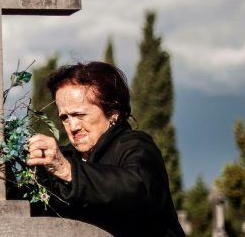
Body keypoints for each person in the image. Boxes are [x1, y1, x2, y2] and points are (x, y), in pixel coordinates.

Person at [26, 61, 184, 236]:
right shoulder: (64, 158)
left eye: (79, 115)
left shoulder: (135, 145)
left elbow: (139, 189)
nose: (72, 126)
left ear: (113, 111)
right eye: (64, 117)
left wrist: (67, 171)